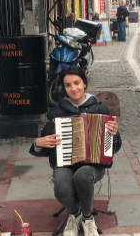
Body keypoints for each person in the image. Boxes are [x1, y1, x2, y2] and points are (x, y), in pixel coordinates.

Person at [29, 66, 122, 236]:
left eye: (77, 83)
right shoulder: (57, 112)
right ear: (64, 89)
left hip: (94, 165)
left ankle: (87, 218)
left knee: (83, 175)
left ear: (84, 83)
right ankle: (75, 213)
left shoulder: (100, 109)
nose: (73, 88)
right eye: (68, 85)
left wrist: (114, 135)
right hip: (66, 163)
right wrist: (38, 142)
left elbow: (114, 146)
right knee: (61, 189)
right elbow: (42, 149)